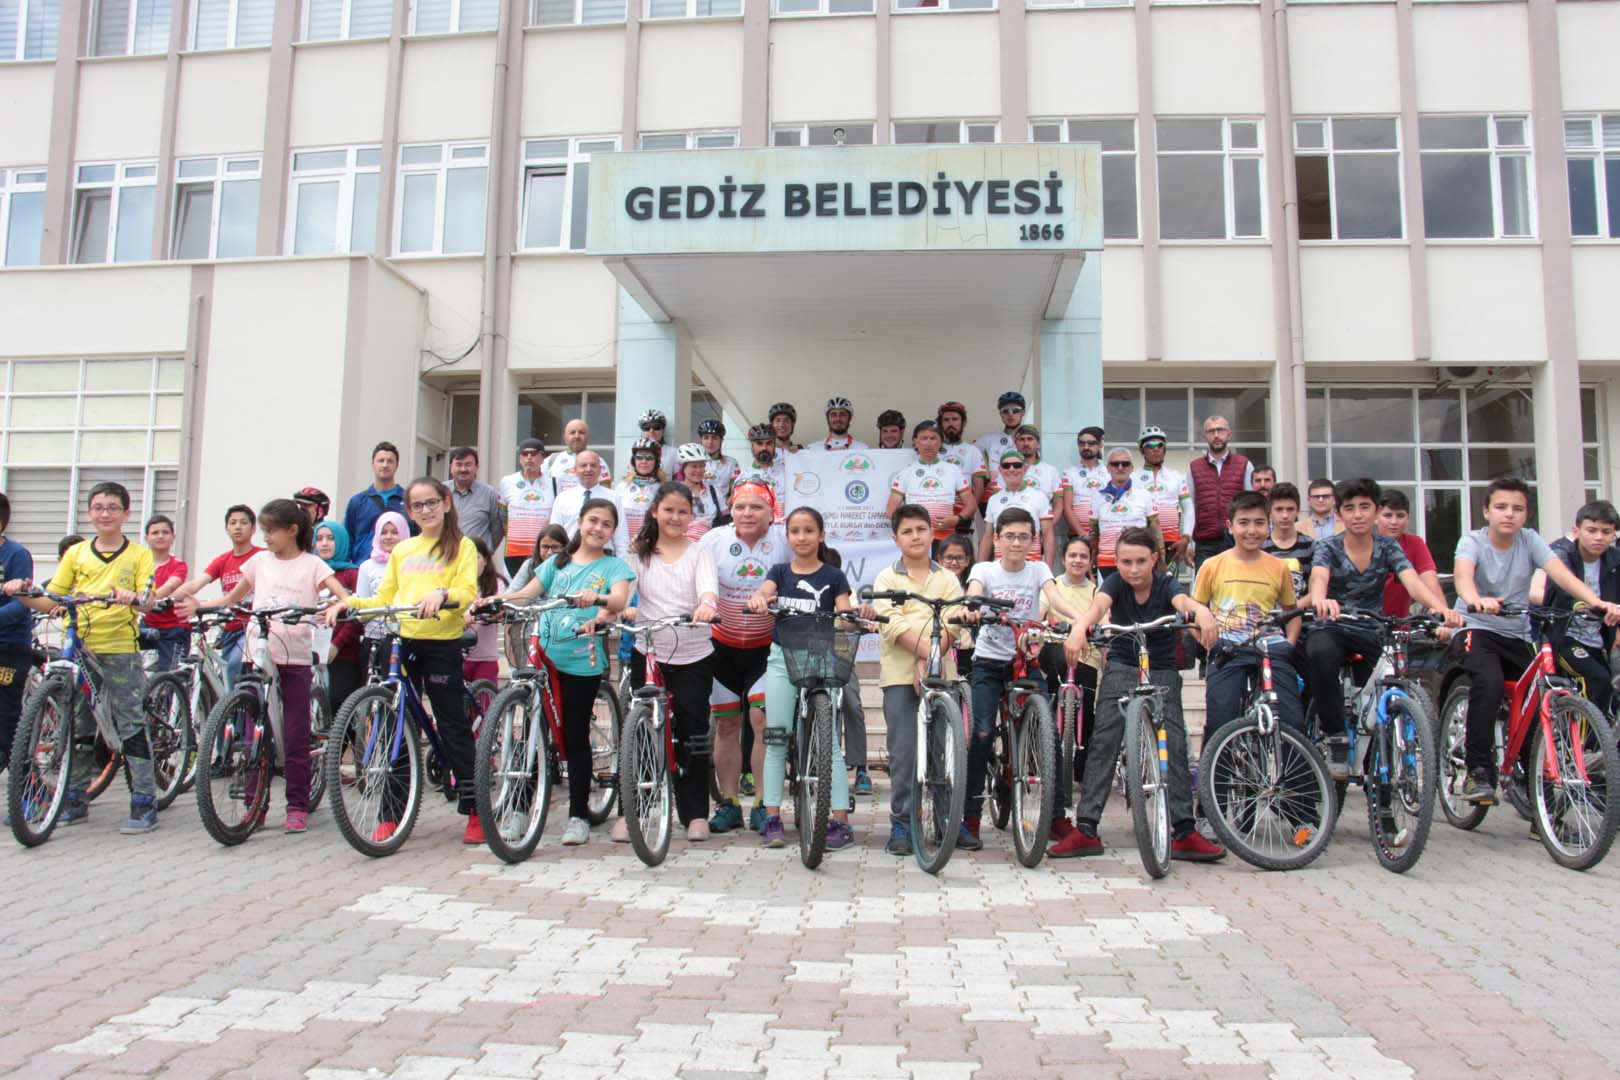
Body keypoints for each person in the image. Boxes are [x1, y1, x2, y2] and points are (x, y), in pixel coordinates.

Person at [329, 476, 483, 845]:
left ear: (446, 503)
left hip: (441, 643)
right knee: (393, 725)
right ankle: (390, 813)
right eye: (418, 506)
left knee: (452, 726)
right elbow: (384, 597)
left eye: (432, 503)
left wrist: (441, 594)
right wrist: (347, 604)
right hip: (402, 641)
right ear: (409, 512)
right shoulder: (403, 549)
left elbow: (466, 592)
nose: (426, 510)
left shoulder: (462, 546)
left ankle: (476, 808)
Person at [180, 500, 348, 835]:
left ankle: (297, 804)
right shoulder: (259, 562)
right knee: (253, 731)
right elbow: (231, 599)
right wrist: (201, 606)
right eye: (265, 531)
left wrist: (335, 607)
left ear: (292, 531)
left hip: (294, 656)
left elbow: (343, 596)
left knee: (296, 732)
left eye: (271, 531)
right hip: (257, 653)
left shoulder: (312, 564)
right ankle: (254, 805)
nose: (266, 537)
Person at [1449, 478, 1620, 804]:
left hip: (1518, 632)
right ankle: (1478, 771)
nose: (1509, 514)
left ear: (1526, 514)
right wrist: (1476, 600)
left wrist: (1596, 602)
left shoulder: (1530, 541)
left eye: (1517, 509)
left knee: (1539, 696)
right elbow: (1463, 577)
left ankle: (1532, 781)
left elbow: (1562, 575)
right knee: (1490, 682)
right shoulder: (1473, 541)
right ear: (1486, 511)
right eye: (1501, 507)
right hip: (1476, 627)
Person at [477, 498, 634, 847]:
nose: (598, 528)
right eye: (593, 520)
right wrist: (496, 601)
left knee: (574, 736)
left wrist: (597, 598)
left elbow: (619, 600)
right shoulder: (556, 563)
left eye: (606, 524)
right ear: (580, 521)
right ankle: (520, 810)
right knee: (532, 735)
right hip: (543, 657)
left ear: (613, 531)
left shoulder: (614, 566)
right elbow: (525, 594)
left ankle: (578, 815)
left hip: (580, 662)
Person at [1061, 527, 1221, 859]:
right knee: (1104, 740)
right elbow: (1097, 607)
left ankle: (1184, 830)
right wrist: (1080, 627)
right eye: (1126, 562)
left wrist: (1201, 611)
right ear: (1116, 562)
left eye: (1140, 562)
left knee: (1174, 742)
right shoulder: (1114, 584)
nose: (1133, 569)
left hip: (1161, 668)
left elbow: (1183, 602)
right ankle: (1086, 827)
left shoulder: (1166, 584)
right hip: (1121, 665)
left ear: (1154, 560)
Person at [21, 482, 160, 833]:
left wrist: (131, 598)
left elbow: (148, 600)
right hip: (79, 644)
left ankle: (144, 800)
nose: (104, 514)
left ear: (126, 513)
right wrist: (22, 594)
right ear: (89, 513)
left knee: (130, 722)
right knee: (78, 723)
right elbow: (53, 598)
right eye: (98, 507)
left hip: (120, 647)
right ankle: (74, 798)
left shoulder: (139, 554)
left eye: (112, 507)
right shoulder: (77, 553)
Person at [1306, 479, 1460, 781]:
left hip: (1372, 630)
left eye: (1365, 507)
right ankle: (1336, 736)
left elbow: (1412, 581)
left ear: (1376, 511)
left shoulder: (1388, 547)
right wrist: (1320, 599)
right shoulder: (1328, 546)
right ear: (1339, 514)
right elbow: (1318, 578)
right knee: (1319, 653)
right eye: (1350, 508)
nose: (1358, 515)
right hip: (1334, 626)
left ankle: (1382, 773)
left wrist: (1440, 609)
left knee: (1384, 688)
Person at [961, 507, 1083, 850]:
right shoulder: (984, 569)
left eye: (1023, 537)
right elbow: (974, 591)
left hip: (1026, 662)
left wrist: (1081, 619)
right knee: (982, 732)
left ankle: (1056, 817)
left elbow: (1055, 598)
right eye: (1010, 536)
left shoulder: (1039, 568)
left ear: (1033, 541)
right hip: (988, 664)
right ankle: (970, 816)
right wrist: (971, 608)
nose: (1016, 543)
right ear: (997, 539)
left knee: (1049, 734)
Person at [746, 506, 858, 850]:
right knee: (776, 737)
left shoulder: (834, 576)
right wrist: (759, 599)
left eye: (809, 530)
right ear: (788, 536)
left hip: (822, 659)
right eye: (795, 531)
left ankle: (840, 821)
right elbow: (763, 591)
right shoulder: (779, 572)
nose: (802, 537)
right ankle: (773, 817)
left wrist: (853, 616)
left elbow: (845, 613)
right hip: (782, 659)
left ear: (821, 535)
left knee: (830, 743)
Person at [617, 482, 720, 843]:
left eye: (683, 512)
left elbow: (708, 588)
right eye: (669, 510)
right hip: (648, 650)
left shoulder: (700, 552)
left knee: (692, 731)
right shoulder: (638, 553)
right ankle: (634, 808)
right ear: (655, 512)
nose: (676, 518)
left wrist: (706, 605)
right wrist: (614, 609)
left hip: (694, 653)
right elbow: (623, 592)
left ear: (691, 516)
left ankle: (695, 813)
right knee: (640, 730)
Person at [872, 504, 970, 856]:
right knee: (904, 754)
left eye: (921, 530)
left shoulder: (948, 578)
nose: (915, 537)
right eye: (907, 531)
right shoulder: (887, 578)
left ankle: (947, 821)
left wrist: (930, 661)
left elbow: (955, 621)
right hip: (900, 678)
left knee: (946, 751)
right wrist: (923, 657)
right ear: (896, 538)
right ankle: (902, 823)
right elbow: (893, 625)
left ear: (932, 533)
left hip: (942, 677)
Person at [701, 482, 789, 833]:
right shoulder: (714, 540)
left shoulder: (783, 539)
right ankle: (729, 802)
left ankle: (764, 804)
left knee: (762, 722)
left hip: (765, 647)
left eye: (756, 507)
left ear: (771, 512)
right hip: (721, 646)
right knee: (726, 725)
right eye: (740, 507)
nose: (747, 513)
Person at [1196, 492, 1304, 742]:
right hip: (1228, 646)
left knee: (1292, 719)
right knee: (1221, 718)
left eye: (1259, 523)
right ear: (1230, 526)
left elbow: (1292, 612)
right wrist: (1205, 640)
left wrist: (1289, 643)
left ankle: (1294, 768)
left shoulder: (1279, 567)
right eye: (1244, 523)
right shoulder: (1213, 565)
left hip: (1271, 646)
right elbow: (1195, 610)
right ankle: (1217, 768)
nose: (1252, 530)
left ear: (1268, 526)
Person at [1044, 535, 1104, 858]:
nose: (1078, 561)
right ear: (1064, 558)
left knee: (1089, 713)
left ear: (1090, 561)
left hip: (1086, 658)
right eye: (1072, 555)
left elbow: (1105, 621)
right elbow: (1040, 615)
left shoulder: (1097, 592)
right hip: (1056, 651)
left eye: (1083, 556)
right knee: (1055, 673)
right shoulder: (1051, 586)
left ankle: (1080, 770)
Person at [1532, 500, 1620, 717]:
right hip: (1562, 636)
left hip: (1598, 640)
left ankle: (1602, 736)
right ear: (1576, 530)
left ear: (1614, 535)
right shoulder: (1561, 554)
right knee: (1597, 680)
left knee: (1606, 693)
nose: (1599, 537)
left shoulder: (1615, 560)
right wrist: (1582, 604)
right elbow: (1561, 590)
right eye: (1592, 530)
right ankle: (1586, 739)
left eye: (1606, 532)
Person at [170, 504, 264, 687]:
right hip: (230, 627)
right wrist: (168, 599)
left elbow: (233, 598)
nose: (238, 527)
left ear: (253, 529)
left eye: (243, 523)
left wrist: (200, 606)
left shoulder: (261, 556)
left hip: (253, 626)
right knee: (228, 676)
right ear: (227, 529)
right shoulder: (223, 560)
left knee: (235, 665)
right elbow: (196, 584)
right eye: (233, 523)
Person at [886, 421, 976, 550]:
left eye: (933, 438)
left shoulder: (953, 470)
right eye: (924, 438)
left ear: (940, 442)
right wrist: (910, 527)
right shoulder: (906, 472)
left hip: (945, 539)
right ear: (915, 442)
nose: (928, 443)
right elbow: (891, 510)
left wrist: (957, 520)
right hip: (916, 541)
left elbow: (971, 504)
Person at [1185, 415, 1254, 575]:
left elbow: (1251, 504)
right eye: (1211, 431)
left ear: (1229, 434)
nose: (1216, 435)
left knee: (1237, 585)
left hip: (1236, 540)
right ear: (1205, 436)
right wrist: (1189, 543)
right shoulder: (1194, 467)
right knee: (1205, 588)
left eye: (1220, 430)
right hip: (1204, 543)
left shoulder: (1244, 464)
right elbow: (1190, 507)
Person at [0, 493, 35, 771]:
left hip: (8, 646)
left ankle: (26, 784)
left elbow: (22, 605)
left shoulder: (16, 554)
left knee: (6, 720)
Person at [314, 519, 363, 712]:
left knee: (339, 704)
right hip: (310, 650)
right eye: (319, 539)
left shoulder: (352, 573)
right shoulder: (310, 571)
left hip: (343, 652)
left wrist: (337, 644)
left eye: (330, 538)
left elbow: (357, 614)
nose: (324, 543)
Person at [355, 510, 408, 677]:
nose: (388, 537)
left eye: (395, 532)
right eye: (384, 532)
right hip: (373, 635)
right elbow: (362, 602)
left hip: (403, 635)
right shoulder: (367, 567)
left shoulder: (412, 564)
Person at [1089, 447, 1156, 578]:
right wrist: (1091, 560)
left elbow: (1154, 528)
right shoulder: (1097, 497)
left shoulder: (1144, 495)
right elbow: (1095, 532)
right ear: (1108, 468)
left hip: (1136, 560)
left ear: (1131, 468)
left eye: (1125, 464)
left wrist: (1160, 557)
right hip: (1107, 561)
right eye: (1115, 464)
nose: (1120, 467)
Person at [981, 450, 1056, 564]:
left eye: (1017, 465)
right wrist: (978, 569)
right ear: (1000, 470)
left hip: (1031, 565)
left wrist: (1048, 568)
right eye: (1006, 466)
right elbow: (987, 536)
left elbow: (1048, 534)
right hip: (1001, 567)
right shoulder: (993, 500)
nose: (1012, 469)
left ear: (1025, 469)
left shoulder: (1039, 497)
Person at [343, 441, 412, 564]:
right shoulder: (357, 501)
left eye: (390, 461)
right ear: (372, 464)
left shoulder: (409, 500)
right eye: (380, 461)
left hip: (401, 566)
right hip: (363, 565)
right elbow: (348, 537)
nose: (385, 465)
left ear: (397, 465)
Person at [551, 451, 631, 555]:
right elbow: (555, 535)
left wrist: (622, 561)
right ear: (575, 470)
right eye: (583, 465)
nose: (588, 469)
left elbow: (621, 535)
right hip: (571, 557)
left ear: (600, 469)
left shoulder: (613, 497)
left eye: (593, 465)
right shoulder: (562, 498)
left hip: (604, 557)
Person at [1135, 426, 1192, 569]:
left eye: (1160, 445)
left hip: (1172, 542)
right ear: (1142, 450)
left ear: (1164, 449)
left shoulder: (1176, 476)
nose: (1156, 449)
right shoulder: (1133, 478)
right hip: (1143, 541)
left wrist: (1186, 538)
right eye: (1150, 445)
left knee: (1168, 581)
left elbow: (1189, 509)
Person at [1377, 491, 1441, 618]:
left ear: (1408, 518)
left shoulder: (1415, 543)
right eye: (1387, 515)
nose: (1394, 521)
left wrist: (1444, 613)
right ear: (1375, 517)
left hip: (1400, 625)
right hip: (1363, 623)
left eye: (1400, 515)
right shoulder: (1365, 543)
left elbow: (1431, 585)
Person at [500, 437, 556, 578]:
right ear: (520, 458)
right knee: (516, 588)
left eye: (534, 453)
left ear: (542, 458)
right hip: (515, 551)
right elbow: (502, 515)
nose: (529, 457)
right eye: (525, 454)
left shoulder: (554, 482)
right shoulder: (507, 481)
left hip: (544, 550)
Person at [142, 514, 190, 671]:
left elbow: (170, 586)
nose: (160, 536)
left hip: (174, 629)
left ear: (173, 537)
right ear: (147, 538)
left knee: (172, 674)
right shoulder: (140, 565)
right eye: (155, 533)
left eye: (165, 532)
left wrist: (146, 601)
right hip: (147, 625)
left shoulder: (178, 565)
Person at [1262, 482, 1314, 599]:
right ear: (1269, 512)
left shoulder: (1310, 546)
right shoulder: (1261, 547)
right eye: (1279, 509)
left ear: (1298, 511)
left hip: (1303, 608)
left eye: (1290, 509)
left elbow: (1315, 591)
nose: (1285, 515)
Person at [447, 446, 504, 551]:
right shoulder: (441, 491)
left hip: (477, 555)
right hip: (446, 554)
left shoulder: (490, 494)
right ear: (450, 467)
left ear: (477, 467)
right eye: (459, 464)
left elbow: (497, 529)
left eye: (468, 464)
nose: (463, 469)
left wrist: (486, 552)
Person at [463, 537, 502, 685]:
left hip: (485, 657)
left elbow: (504, 605)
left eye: (476, 557)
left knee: (485, 696)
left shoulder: (497, 584)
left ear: (485, 560)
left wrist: (497, 612)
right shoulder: (454, 585)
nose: (471, 562)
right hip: (457, 655)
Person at [1060, 425, 1108, 544]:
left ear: (1101, 444)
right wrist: (1081, 532)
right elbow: (1067, 507)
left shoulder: (1109, 471)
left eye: (1091, 443)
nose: (1086, 447)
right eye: (1082, 443)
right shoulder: (1069, 473)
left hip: (1105, 534)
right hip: (1078, 535)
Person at [936, 401, 988, 509]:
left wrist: (970, 511)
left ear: (963, 423)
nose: (950, 424)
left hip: (965, 509)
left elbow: (979, 488)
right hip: (939, 508)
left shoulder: (973, 451)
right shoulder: (933, 449)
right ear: (941, 424)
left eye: (955, 419)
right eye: (946, 420)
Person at [616, 437, 666, 539]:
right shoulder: (622, 487)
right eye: (639, 457)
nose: (644, 461)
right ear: (633, 461)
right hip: (624, 542)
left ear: (656, 462)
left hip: (651, 541)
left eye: (649, 458)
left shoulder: (663, 489)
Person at [736, 423, 786, 522]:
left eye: (769, 443)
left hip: (785, 528)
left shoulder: (787, 471)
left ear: (774, 445)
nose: (764, 448)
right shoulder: (743, 478)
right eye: (759, 444)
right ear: (752, 446)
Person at [677, 443, 726, 542]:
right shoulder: (675, 492)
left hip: (712, 543)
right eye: (694, 466)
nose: (698, 470)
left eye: (701, 466)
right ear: (683, 468)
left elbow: (726, 519)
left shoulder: (714, 491)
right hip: (683, 544)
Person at [974, 391, 1027, 467]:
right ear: (1001, 414)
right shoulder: (988, 438)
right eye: (1005, 411)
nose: (1010, 414)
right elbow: (966, 453)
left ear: (1022, 413)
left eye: (1015, 410)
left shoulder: (1031, 440)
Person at [544, 420, 594, 492]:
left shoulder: (599, 462)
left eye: (581, 432)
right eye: (572, 433)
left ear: (588, 437)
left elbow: (605, 492)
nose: (577, 436)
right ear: (565, 437)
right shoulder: (551, 461)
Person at [697, 419, 739, 500]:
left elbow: (735, 490)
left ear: (721, 440)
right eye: (706, 438)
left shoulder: (731, 463)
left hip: (723, 507)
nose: (710, 442)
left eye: (714, 438)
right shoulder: (693, 463)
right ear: (701, 440)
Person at [637, 409, 680, 477]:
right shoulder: (634, 452)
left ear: (663, 430)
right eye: (646, 427)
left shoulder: (674, 452)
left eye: (656, 427)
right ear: (642, 431)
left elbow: (678, 479)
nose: (651, 431)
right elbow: (630, 477)